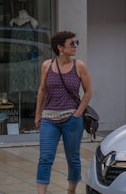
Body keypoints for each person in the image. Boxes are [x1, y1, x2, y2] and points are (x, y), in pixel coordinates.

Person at [34, 31, 92, 194]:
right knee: (45, 157)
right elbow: (42, 90)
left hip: (71, 119)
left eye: (76, 42)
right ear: (60, 47)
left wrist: (78, 113)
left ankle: (71, 190)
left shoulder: (79, 65)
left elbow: (88, 92)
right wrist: (38, 114)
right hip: (49, 119)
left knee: (73, 158)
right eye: (71, 43)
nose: (75, 46)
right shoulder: (47, 65)